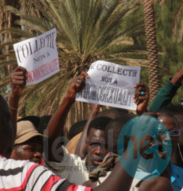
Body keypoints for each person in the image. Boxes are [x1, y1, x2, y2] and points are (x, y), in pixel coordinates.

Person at [0, 67, 149, 191]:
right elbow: (50, 142)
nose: (98, 151)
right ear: (85, 142)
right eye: (94, 144)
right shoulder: (72, 167)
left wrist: (143, 115)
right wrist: (69, 98)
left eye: (107, 146)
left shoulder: (132, 175)